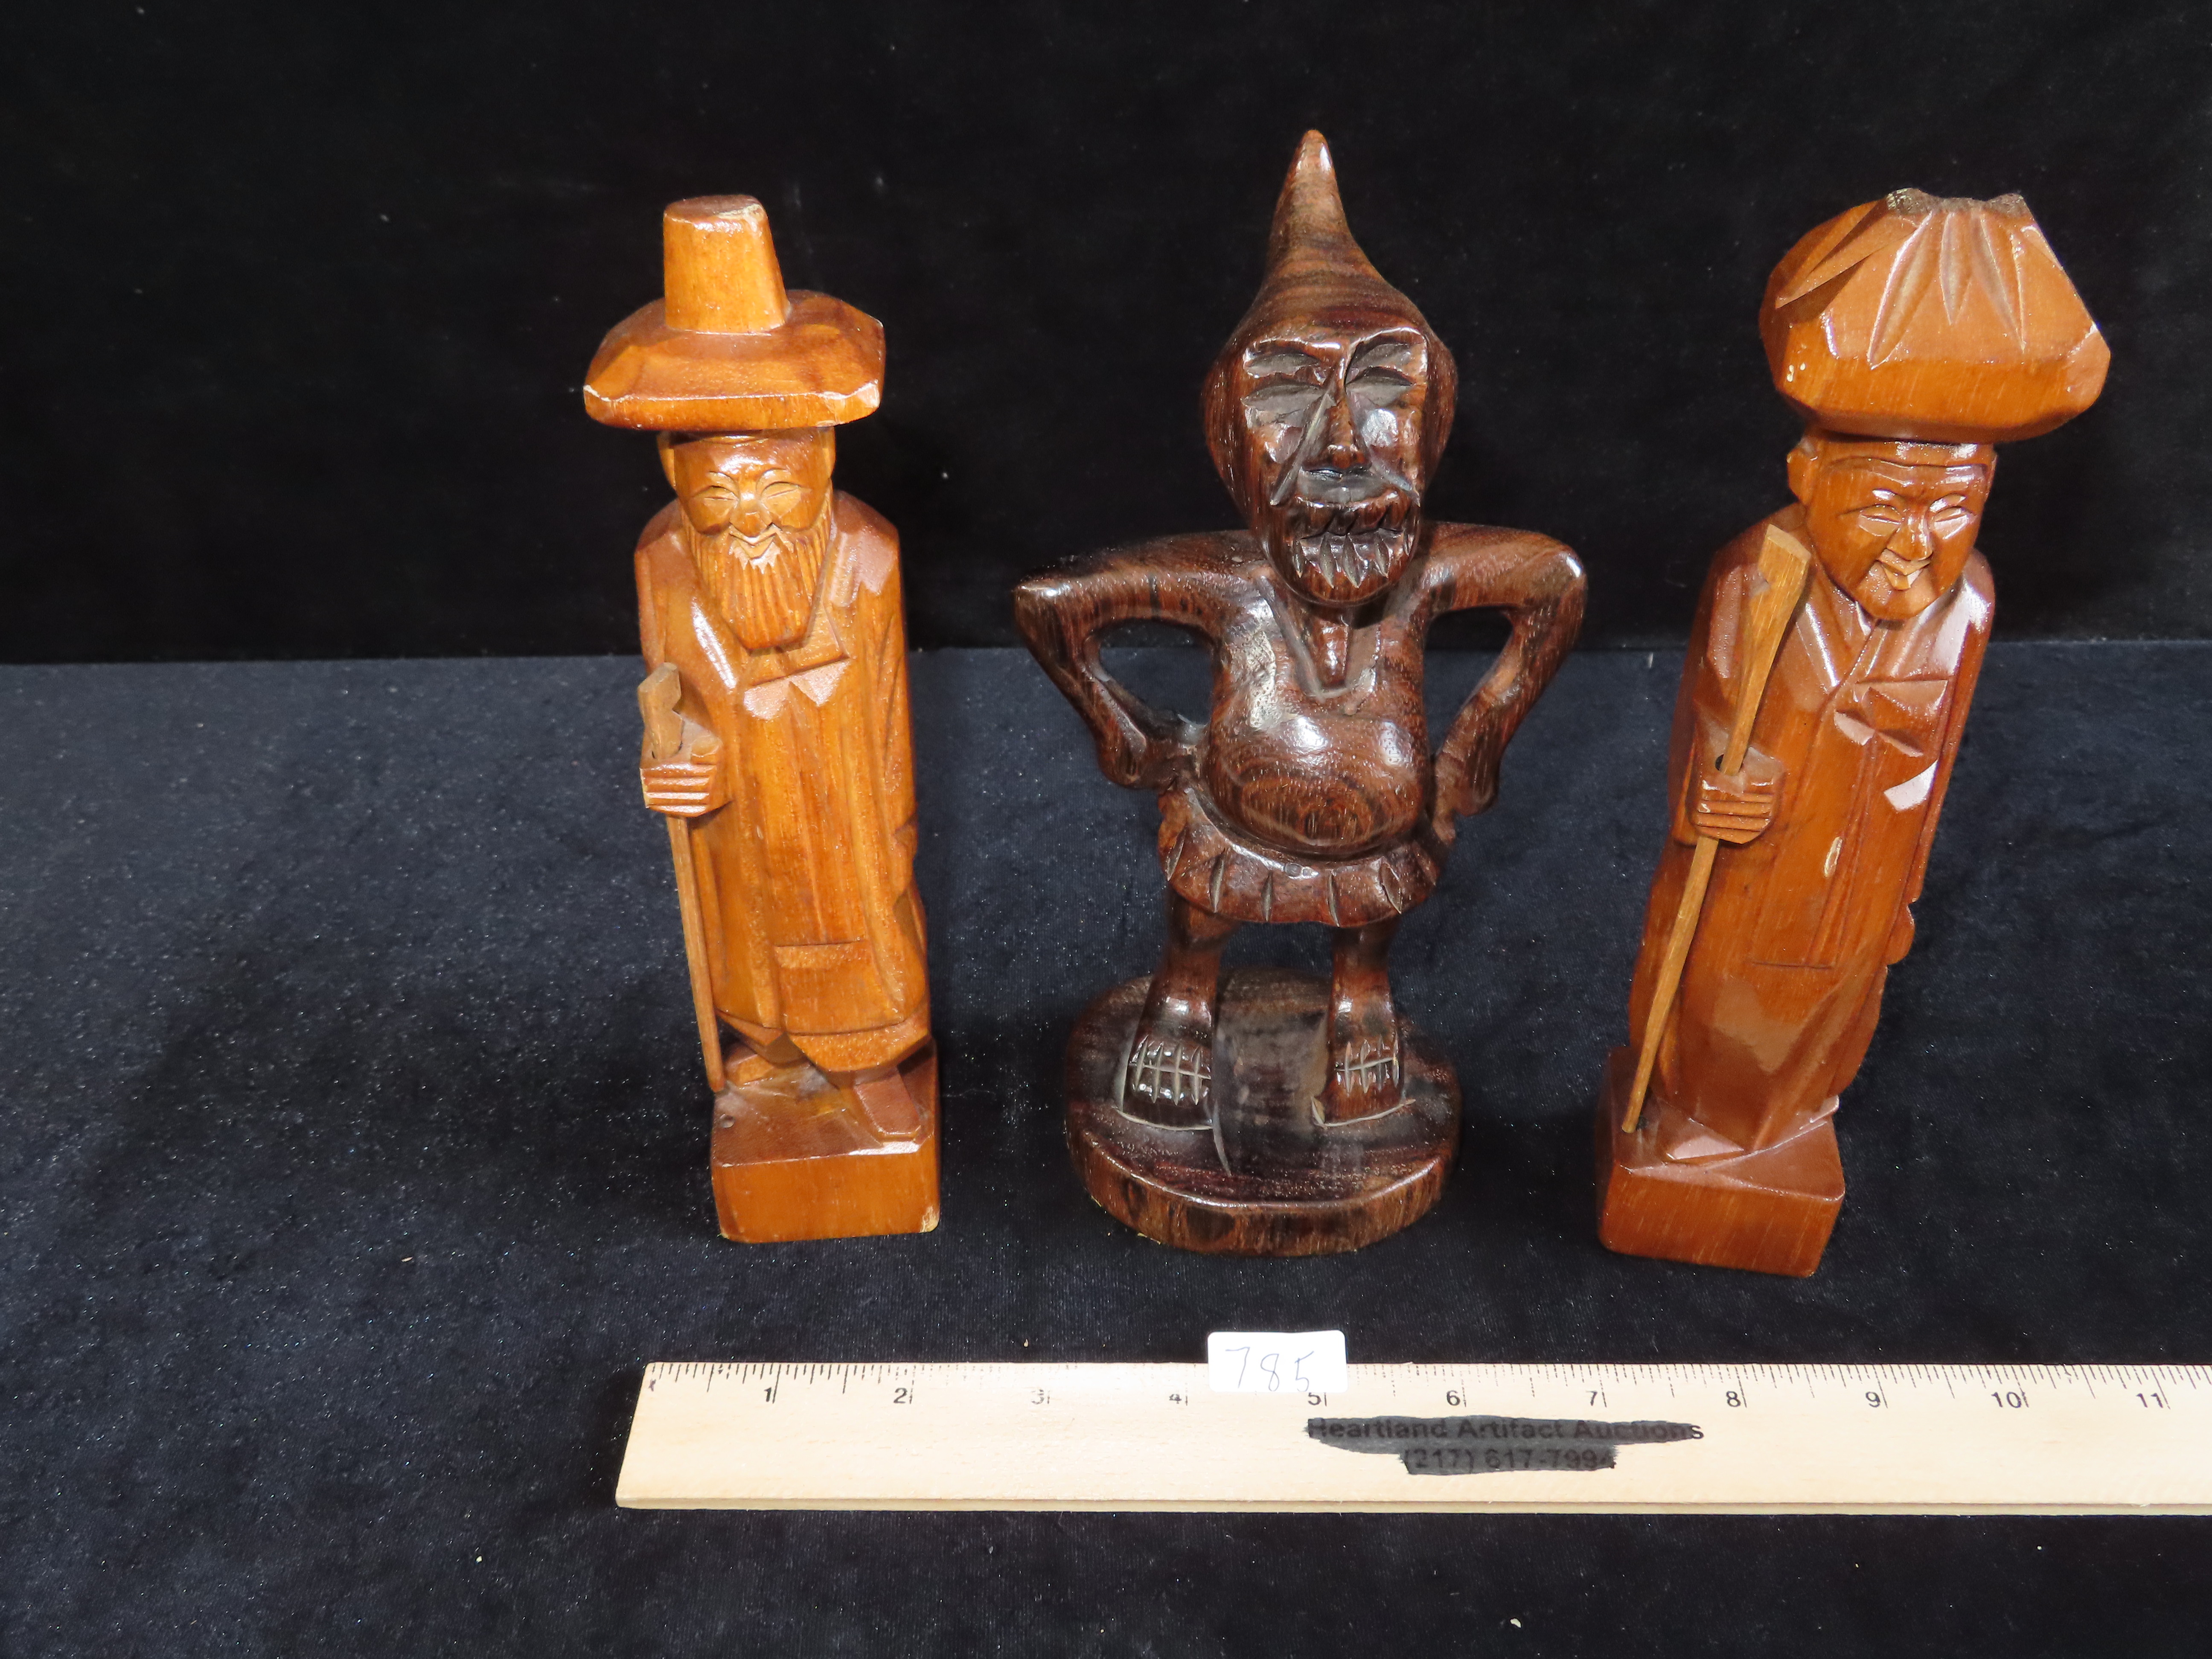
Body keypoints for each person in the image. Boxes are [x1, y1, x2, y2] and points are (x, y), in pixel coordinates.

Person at [1602, 189, 2108, 1274]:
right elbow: (1710, 714)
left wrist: (1908, 890)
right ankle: (1696, 1121)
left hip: (1869, 870)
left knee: (1834, 1015)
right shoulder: (1761, 574)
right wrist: (1706, 792)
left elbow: (1948, 748)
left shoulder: (1969, 606)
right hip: (1762, 862)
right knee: (1722, 1001)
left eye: (1952, 508)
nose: (1915, 543)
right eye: (1883, 504)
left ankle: (1781, 1127)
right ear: (1808, 478)